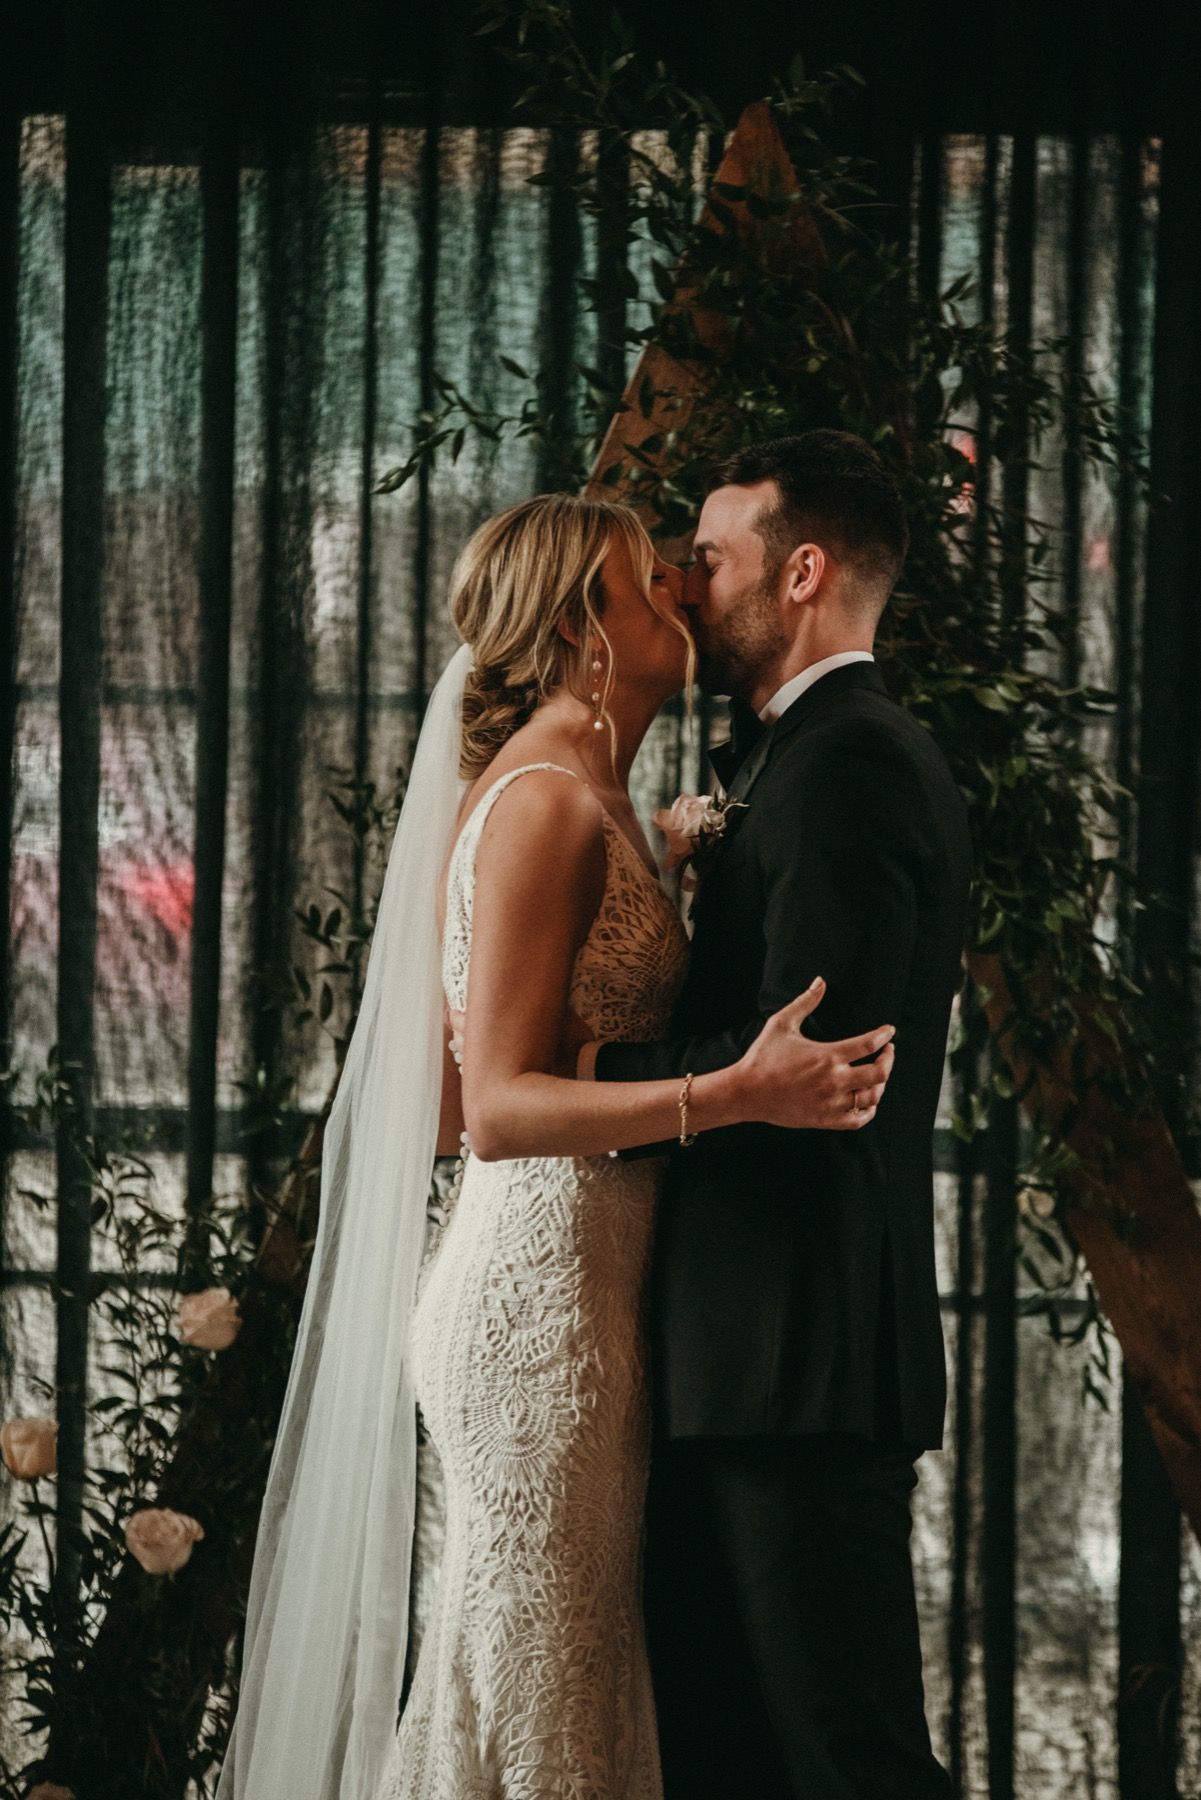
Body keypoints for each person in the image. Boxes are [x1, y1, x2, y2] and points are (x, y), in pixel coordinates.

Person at [217, 491, 896, 1800]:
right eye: (652, 583)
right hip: (538, 1329)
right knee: (549, 1710)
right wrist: (730, 1093)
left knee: (537, 1695)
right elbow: (491, 1112)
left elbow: (459, 1086)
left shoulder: (588, 791)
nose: (683, 596)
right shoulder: (542, 801)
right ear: (590, 629)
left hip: (590, 1308)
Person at [583, 431, 974, 1799]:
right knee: (737, 1760)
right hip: (745, 1357)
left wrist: (565, 1075)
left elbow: (812, 1072)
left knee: (844, 1762)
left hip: (791, 1360)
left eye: (708, 559)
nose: (684, 588)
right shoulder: (799, 759)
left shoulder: (847, 766)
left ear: (799, 573)